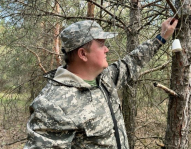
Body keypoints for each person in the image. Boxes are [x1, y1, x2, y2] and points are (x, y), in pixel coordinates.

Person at [24, 18, 178, 149]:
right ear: (83, 54)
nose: (107, 49)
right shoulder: (53, 104)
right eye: (101, 45)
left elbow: (132, 61)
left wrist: (162, 37)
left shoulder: (104, 79)